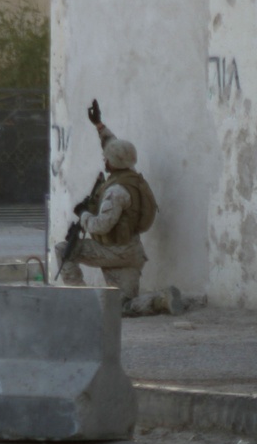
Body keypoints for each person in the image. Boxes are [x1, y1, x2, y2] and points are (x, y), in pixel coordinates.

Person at [54, 99, 181, 316]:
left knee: (62, 249)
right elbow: (115, 147)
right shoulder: (131, 176)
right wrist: (99, 126)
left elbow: (100, 226)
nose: (104, 160)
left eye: (107, 159)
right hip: (132, 251)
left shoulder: (116, 192)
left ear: (112, 163)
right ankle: (161, 300)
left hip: (113, 251)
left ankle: (80, 301)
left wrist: (83, 214)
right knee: (121, 306)